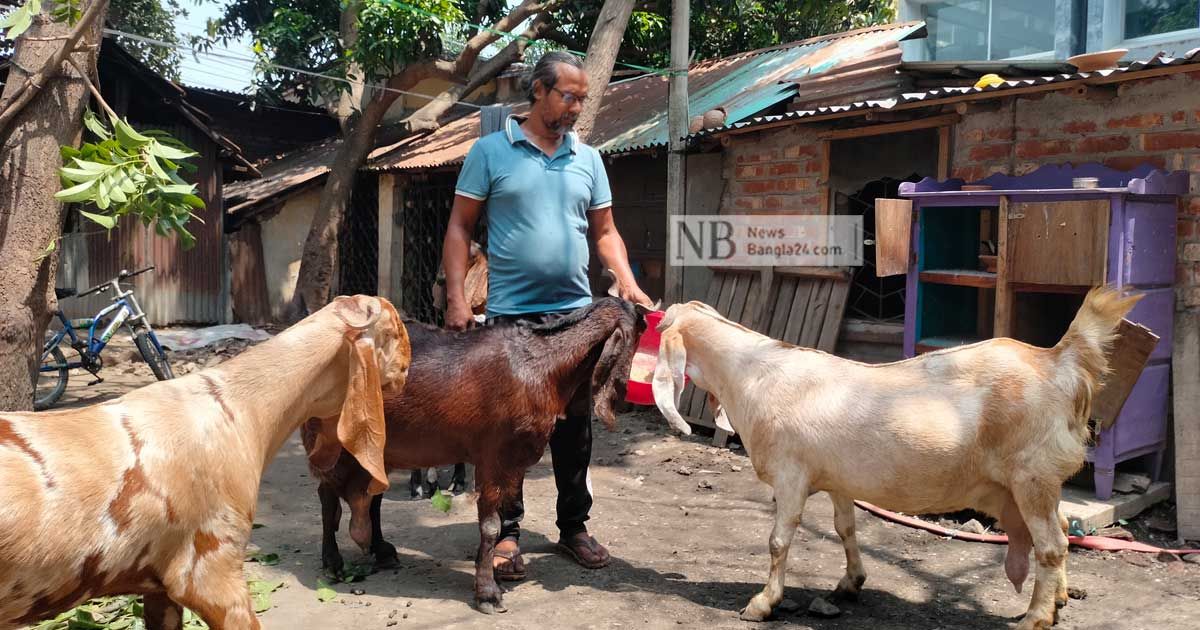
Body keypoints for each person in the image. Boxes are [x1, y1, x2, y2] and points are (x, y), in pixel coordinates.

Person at [441, 50, 652, 580]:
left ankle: (573, 526)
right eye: (568, 96)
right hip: (511, 322)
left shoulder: (589, 159)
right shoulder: (490, 152)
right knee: (509, 431)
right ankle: (506, 532)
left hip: (574, 319)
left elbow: (604, 233)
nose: (577, 107)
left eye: (581, 99)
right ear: (538, 90)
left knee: (574, 427)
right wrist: (458, 298)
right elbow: (460, 229)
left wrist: (625, 281)